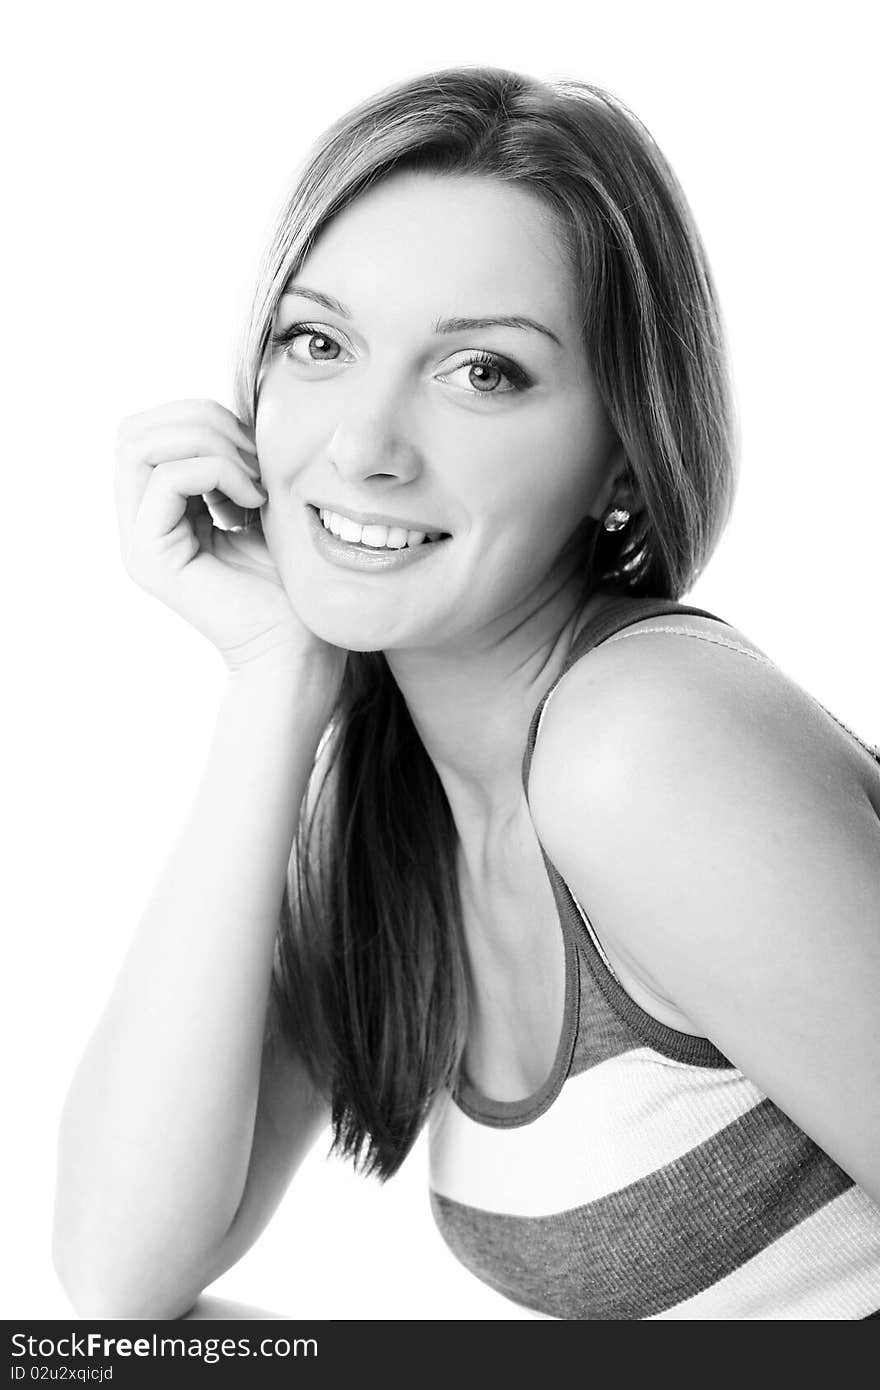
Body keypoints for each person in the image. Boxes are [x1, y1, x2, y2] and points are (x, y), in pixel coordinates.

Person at [52, 66, 880, 1322]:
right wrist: (275, 679)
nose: (363, 445)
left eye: (481, 372)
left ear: (622, 455)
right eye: (318, 343)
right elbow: (120, 1280)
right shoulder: (398, 807)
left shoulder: (642, 744)